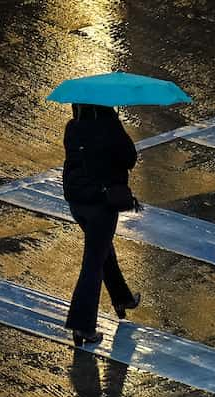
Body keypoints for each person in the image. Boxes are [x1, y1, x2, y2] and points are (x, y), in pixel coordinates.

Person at [62, 103, 141, 347]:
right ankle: (82, 325)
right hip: (102, 203)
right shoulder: (109, 127)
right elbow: (130, 158)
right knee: (93, 263)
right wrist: (118, 127)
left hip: (78, 202)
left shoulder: (73, 127)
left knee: (102, 249)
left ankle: (122, 297)